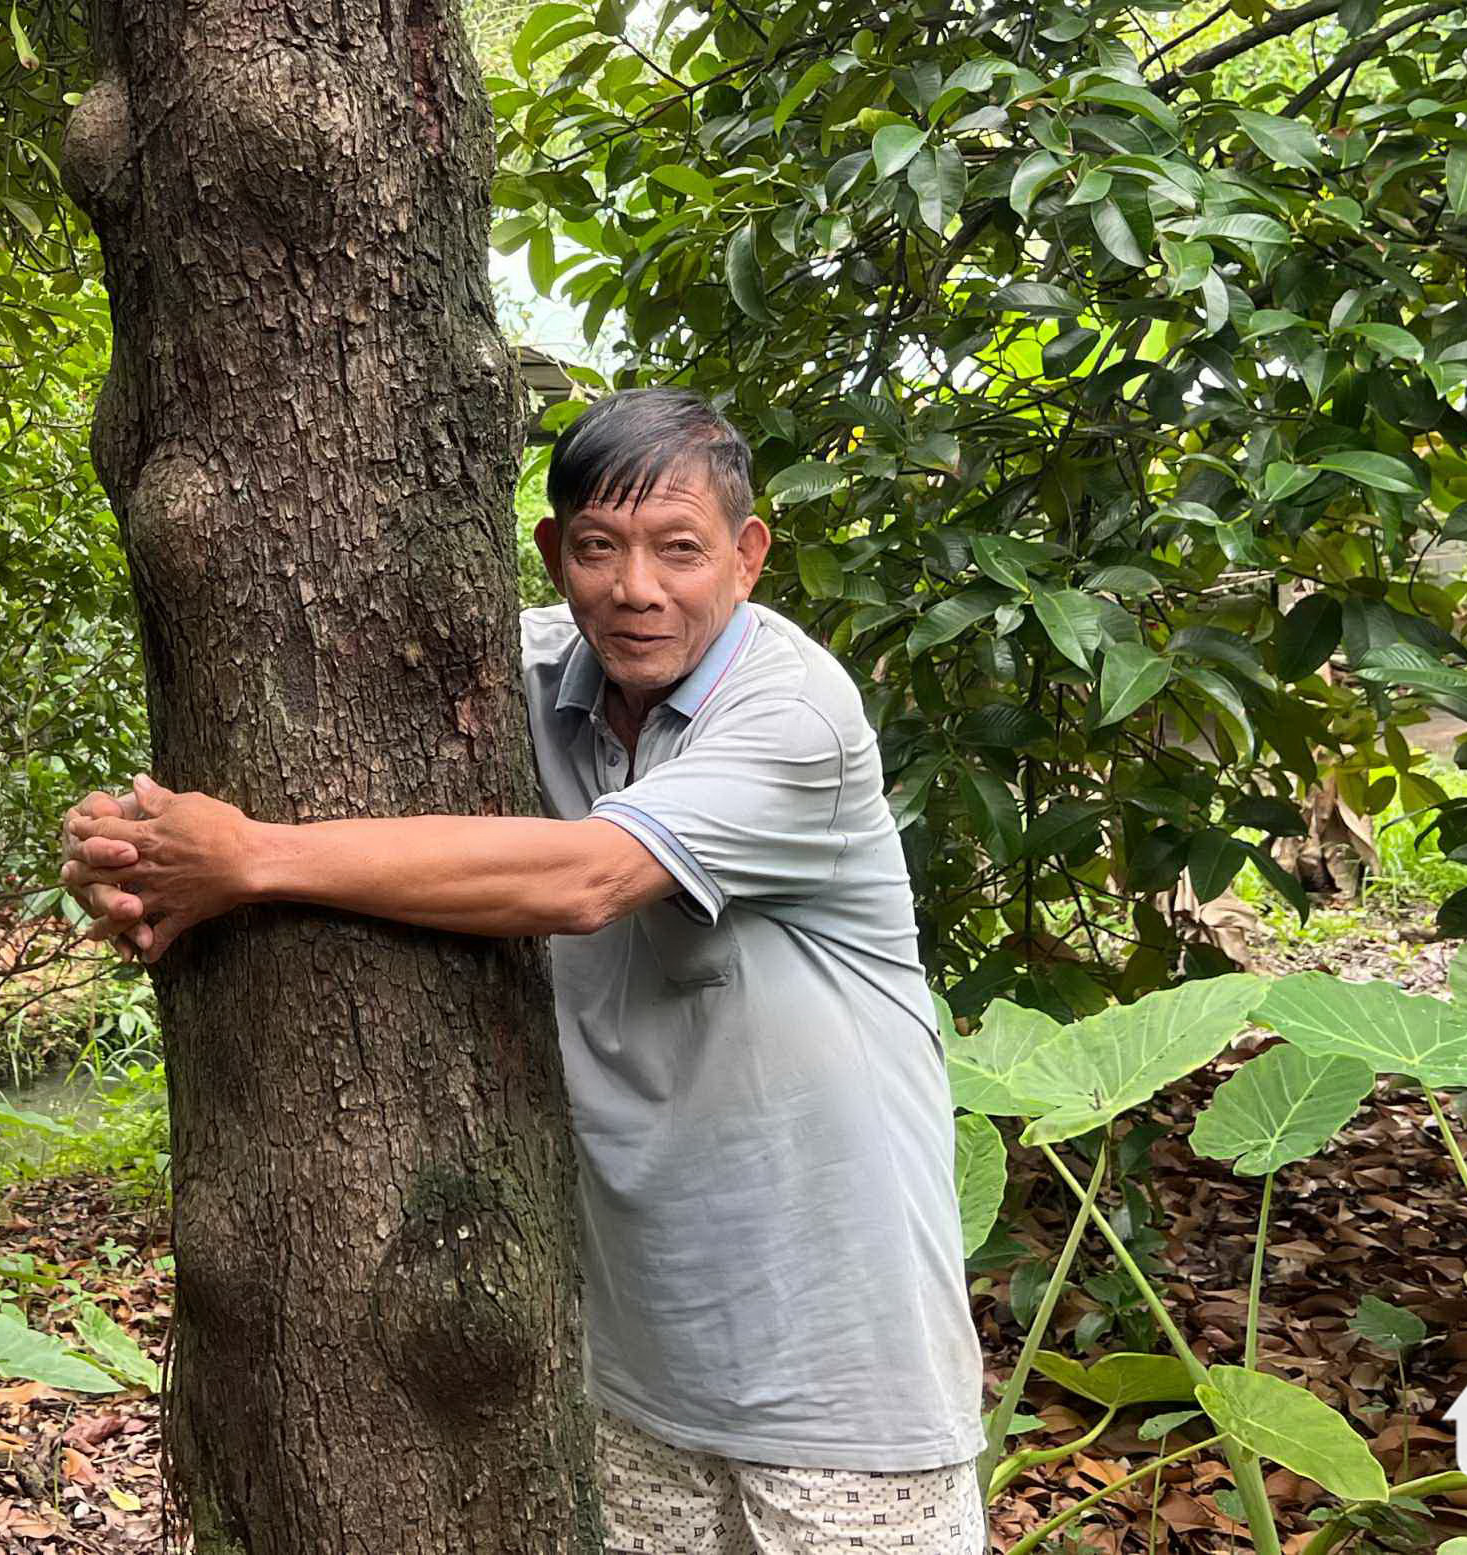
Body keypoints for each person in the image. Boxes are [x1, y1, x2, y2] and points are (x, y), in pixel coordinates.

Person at [59, 386, 989, 1555]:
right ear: (553, 553)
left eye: (679, 550)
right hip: (637, 1364)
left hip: (848, 1368)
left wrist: (247, 858)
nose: (636, 588)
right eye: (598, 548)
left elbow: (583, 879)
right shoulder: (523, 680)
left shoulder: (793, 714)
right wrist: (135, 848)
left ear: (747, 557)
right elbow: (333, 765)